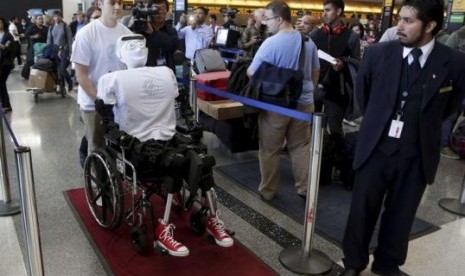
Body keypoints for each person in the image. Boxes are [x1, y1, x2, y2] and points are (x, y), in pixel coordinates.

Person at [340, 1, 465, 275]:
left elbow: (451, 105)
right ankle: (353, 263)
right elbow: (364, 94)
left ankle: (387, 263)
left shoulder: (453, 62)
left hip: (417, 153)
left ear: (430, 26)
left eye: (409, 21)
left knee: (401, 215)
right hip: (375, 148)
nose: (400, 25)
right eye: (400, 18)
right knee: (362, 212)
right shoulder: (377, 53)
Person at [96, 33, 233, 256]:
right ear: (121, 53)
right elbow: (106, 120)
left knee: (202, 161)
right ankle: (162, 228)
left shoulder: (164, 73)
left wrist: (192, 127)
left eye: (140, 44)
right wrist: (124, 139)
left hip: (168, 138)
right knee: (175, 162)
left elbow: (184, 106)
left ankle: (212, 218)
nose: (137, 49)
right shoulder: (112, 79)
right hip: (136, 146)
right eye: (132, 46)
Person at [247, 1, 320, 200]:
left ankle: (268, 191)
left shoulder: (271, 42)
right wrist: (308, 91)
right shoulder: (308, 42)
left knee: (270, 149)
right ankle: (304, 188)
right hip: (304, 103)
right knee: (301, 146)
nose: (266, 24)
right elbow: (315, 71)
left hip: (276, 104)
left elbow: (252, 71)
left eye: (268, 19)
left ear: (279, 19)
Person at [71, 0, 133, 156]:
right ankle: (98, 179)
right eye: (112, 3)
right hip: (94, 104)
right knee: (97, 146)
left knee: (123, 145)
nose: (118, 7)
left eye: (120, 2)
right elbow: (81, 74)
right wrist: (99, 99)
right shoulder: (86, 33)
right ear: (100, 3)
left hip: (120, 103)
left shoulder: (127, 34)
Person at [309, 0, 360, 133]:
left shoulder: (352, 37)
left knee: (335, 128)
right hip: (315, 86)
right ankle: (315, 152)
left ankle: (336, 152)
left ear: (338, 11)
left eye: (328, 10)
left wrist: (344, 63)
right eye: (323, 10)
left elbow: (356, 63)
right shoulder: (315, 34)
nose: (324, 13)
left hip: (337, 89)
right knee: (311, 127)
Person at [142, 0, 178, 72]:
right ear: (149, 11)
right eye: (155, 9)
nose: (160, 12)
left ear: (167, 11)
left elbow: (171, 46)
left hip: (167, 73)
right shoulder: (143, 30)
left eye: (163, 8)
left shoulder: (171, 30)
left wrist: (153, 33)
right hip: (146, 72)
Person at [47, 10, 74, 93]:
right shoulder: (51, 28)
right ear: (53, 17)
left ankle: (70, 82)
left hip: (64, 50)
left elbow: (70, 40)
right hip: (54, 51)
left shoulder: (65, 27)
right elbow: (49, 41)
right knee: (58, 70)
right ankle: (62, 88)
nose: (57, 18)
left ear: (61, 17)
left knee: (62, 69)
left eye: (58, 16)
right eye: (55, 16)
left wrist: (71, 53)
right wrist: (48, 51)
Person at [0, 17, 15, 112]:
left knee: (1, 82)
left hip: (5, 63)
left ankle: (5, 104)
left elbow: (11, 50)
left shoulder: (8, 35)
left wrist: (4, 47)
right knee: (1, 83)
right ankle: (6, 105)